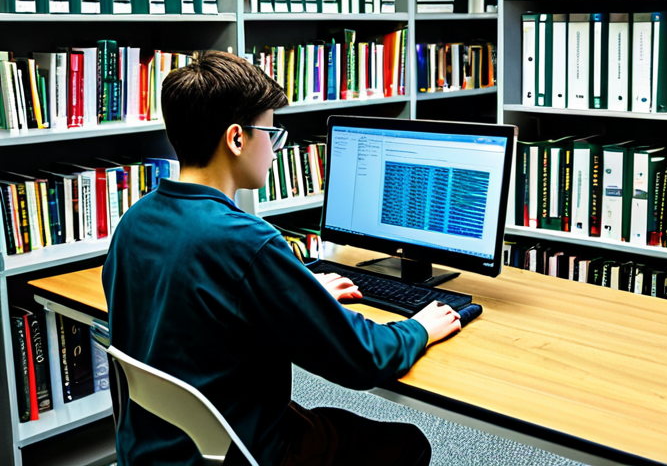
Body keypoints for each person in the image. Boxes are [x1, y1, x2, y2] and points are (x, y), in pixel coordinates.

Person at [102, 50, 462, 466]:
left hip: (158, 446)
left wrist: (298, 292)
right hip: (239, 450)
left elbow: (202, 308)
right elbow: (361, 360)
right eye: (271, 135)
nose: (275, 150)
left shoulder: (135, 221)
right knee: (407, 442)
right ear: (237, 139)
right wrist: (417, 329)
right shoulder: (245, 241)